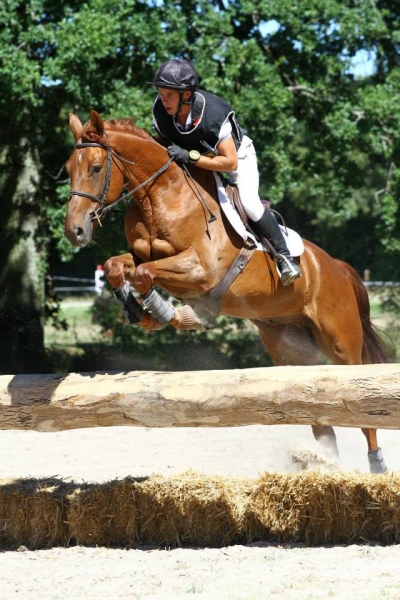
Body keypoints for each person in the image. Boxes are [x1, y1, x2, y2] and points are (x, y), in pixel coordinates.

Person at [148, 58, 301, 286]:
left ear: (186, 95)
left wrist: (191, 157)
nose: (164, 100)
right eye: (161, 93)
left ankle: (284, 257)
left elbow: (230, 163)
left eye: (169, 95)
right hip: (193, 158)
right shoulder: (160, 110)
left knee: (249, 203)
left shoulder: (214, 115)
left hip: (236, 157)